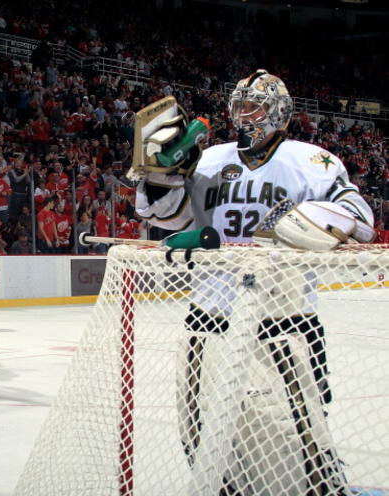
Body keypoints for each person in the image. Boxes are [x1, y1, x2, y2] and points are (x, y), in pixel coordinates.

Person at [133, 70, 374, 493]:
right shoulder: (207, 159)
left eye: (255, 106)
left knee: (300, 435)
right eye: (239, 105)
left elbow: (360, 216)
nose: (244, 115)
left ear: (279, 113)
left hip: (284, 318)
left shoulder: (312, 161)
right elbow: (165, 218)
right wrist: (159, 174)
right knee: (200, 429)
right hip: (208, 318)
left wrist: (322, 219)